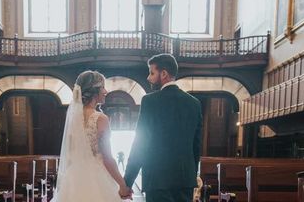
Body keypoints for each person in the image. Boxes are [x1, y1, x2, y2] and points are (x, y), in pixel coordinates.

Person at [123, 53, 202, 202]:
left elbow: (140, 144)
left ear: (164, 74)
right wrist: (191, 175)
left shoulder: (150, 101)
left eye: (152, 73)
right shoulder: (194, 103)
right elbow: (196, 146)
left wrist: (127, 181)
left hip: (157, 180)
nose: (148, 78)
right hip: (185, 180)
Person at [51, 70, 131, 202]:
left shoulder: (72, 117)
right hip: (96, 177)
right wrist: (123, 185)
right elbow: (107, 158)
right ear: (95, 91)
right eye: (103, 87)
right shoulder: (101, 119)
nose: (105, 91)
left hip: (73, 179)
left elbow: (70, 153)